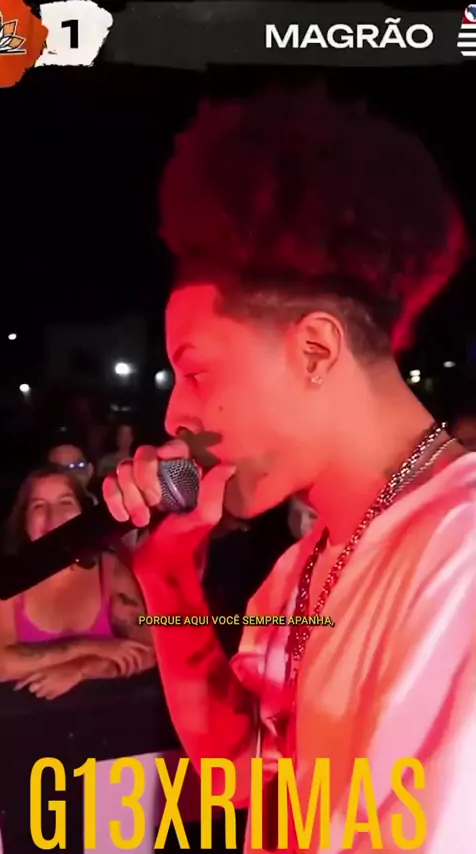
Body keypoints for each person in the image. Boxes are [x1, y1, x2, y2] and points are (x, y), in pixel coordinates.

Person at [102, 84, 476, 852]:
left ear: (315, 350)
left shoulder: (460, 554)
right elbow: (243, 781)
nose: (174, 417)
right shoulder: (297, 572)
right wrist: (168, 581)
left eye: (195, 371)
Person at [0, 464, 154, 700]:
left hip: (105, 717)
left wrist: (82, 668)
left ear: (83, 512)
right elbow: (1, 665)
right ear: (24, 520)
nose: (54, 516)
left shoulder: (109, 571)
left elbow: (146, 651)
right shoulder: (6, 578)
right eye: (39, 505)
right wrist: (90, 647)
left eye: (66, 502)